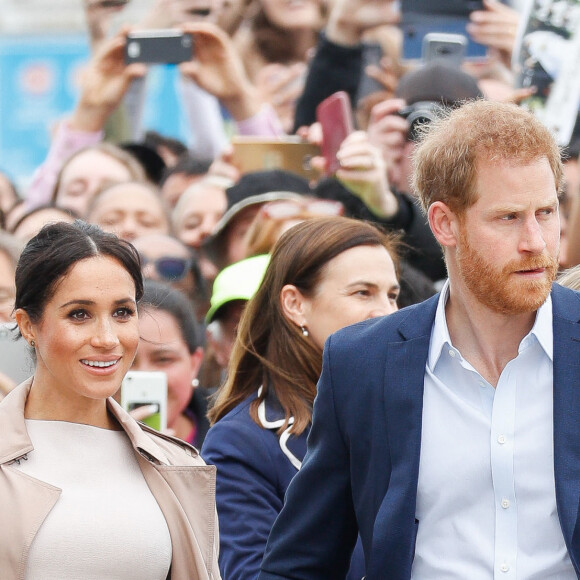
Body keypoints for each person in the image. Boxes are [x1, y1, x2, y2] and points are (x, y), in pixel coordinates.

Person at [257, 99, 580, 579]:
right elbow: (300, 562)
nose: (535, 240)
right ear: (444, 223)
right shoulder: (363, 363)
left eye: (546, 212)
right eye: (508, 217)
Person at [0, 220, 220, 579]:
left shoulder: (179, 465)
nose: (107, 338)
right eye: (79, 314)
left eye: (122, 312)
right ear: (27, 326)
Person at [202, 216, 401, 580]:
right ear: (295, 304)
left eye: (392, 295)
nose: (386, 313)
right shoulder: (241, 441)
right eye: (362, 292)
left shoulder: (408, 412)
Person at [131, 279, 209, 448]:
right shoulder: (75, 443)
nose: (145, 374)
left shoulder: (232, 435)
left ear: (194, 364)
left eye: (164, 359)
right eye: (126, 361)